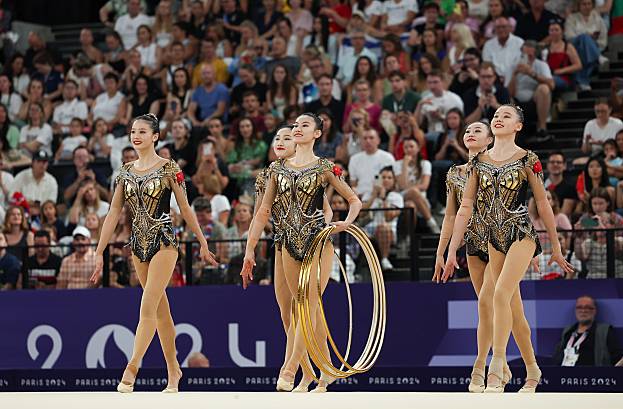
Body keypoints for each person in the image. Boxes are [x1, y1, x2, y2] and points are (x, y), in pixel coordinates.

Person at [443, 105, 574, 392]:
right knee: (512, 308)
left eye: (506, 116)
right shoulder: (478, 163)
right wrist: (452, 250)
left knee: (499, 294)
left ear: (518, 126)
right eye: (496, 116)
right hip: (491, 236)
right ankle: (532, 369)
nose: (498, 119)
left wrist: (555, 246)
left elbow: (542, 203)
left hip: (520, 232)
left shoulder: (527, 158)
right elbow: (463, 208)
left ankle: (496, 366)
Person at [90, 114, 216, 393]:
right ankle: (174, 371)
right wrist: (99, 251)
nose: (136, 136)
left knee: (147, 306)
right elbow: (113, 212)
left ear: (155, 136)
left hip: (164, 242)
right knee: (161, 312)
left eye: (143, 131)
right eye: (133, 131)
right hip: (138, 244)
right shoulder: (124, 172)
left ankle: (131, 367)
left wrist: (202, 242)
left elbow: (185, 209)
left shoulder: (169, 168)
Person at [241, 113, 362, 393]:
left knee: (305, 305)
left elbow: (352, 200)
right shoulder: (276, 170)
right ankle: (318, 371)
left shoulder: (324, 167)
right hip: (285, 243)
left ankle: (289, 369)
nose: (296, 129)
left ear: (318, 134)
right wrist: (249, 251)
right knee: (296, 310)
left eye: (303, 126)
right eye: (293, 126)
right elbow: (262, 213)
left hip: (317, 244)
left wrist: (345, 222)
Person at [552, 295, 623, 366]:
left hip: (592, 381)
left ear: (595, 311)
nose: (583, 311)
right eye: (579, 307)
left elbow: (616, 361)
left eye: (588, 307)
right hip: (564, 380)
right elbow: (556, 359)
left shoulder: (605, 331)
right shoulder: (567, 332)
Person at [574, 187, 623, 278]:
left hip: (617, 273)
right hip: (594, 273)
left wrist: (605, 231)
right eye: (594, 204)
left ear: (608, 203)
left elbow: (622, 248)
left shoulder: (616, 219)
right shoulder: (585, 220)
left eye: (601, 203)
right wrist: (578, 235)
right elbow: (580, 255)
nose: (597, 207)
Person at [508, 40, 554, 138]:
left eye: (530, 54)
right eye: (525, 53)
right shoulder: (514, 65)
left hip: (535, 97)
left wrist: (532, 74)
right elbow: (509, 92)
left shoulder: (541, 65)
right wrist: (514, 75)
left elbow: (551, 85)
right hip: (516, 98)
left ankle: (542, 127)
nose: (528, 56)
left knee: (544, 88)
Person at [393, 138, 438, 232]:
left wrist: (409, 186)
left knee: (411, 205)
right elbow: (402, 185)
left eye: (411, 146)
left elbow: (424, 186)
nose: (409, 149)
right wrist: (405, 165)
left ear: (418, 148)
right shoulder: (397, 164)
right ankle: (432, 223)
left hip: (421, 200)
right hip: (402, 196)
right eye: (406, 147)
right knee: (413, 191)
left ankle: (409, 238)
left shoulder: (425, 164)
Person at [348, 128, 395, 200]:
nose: (368, 141)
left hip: (382, 195)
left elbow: (392, 181)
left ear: (378, 140)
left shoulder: (387, 157)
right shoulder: (354, 159)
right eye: (365, 138)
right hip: (361, 196)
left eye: (371, 138)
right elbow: (353, 183)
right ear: (361, 141)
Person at [482, 17, 523, 87]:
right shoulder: (488, 45)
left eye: (504, 27)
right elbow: (487, 65)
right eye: (498, 27)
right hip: (495, 81)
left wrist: (508, 78)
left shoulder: (519, 43)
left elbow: (520, 64)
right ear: (494, 29)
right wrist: (498, 77)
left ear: (509, 28)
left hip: (515, 81)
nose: (501, 30)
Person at [545, 152, 577, 217]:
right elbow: (532, 211)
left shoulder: (570, 188)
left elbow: (564, 214)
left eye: (559, 162)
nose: (555, 164)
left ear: (564, 166)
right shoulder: (539, 185)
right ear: (547, 165)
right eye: (552, 162)